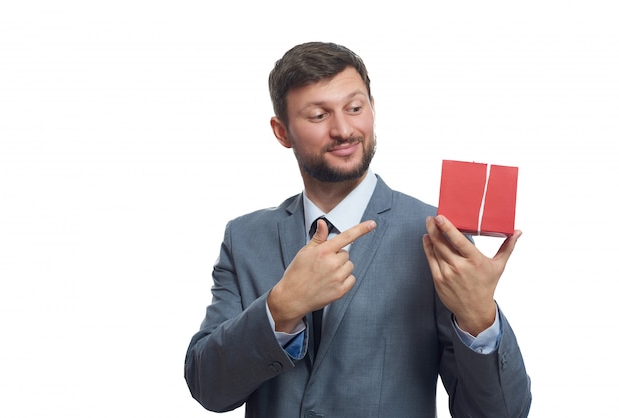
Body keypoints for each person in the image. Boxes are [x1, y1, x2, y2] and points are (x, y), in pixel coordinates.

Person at [185, 41, 532, 417]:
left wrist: (480, 317)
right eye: (318, 115)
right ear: (282, 132)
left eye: (355, 108)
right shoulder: (245, 238)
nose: (344, 130)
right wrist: (281, 308)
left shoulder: (435, 235)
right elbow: (208, 388)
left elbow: (499, 414)